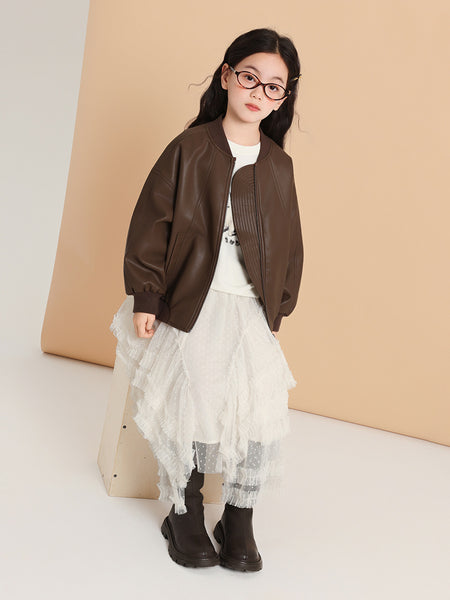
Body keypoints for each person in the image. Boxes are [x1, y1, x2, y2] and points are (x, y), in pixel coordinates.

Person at [109, 27, 304, 572]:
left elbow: (290, 241)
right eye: (249, 78)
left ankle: (238, 518)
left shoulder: (279, 165)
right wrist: (147, 296)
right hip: (194, 302)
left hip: (250, 307)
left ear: (283, 98)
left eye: (273, 87)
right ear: (226, 76)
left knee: (260, 410)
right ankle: (185, 510)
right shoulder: (190, 149)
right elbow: (152, 222)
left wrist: (279, 305)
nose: (258, 93)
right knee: (194, 405)